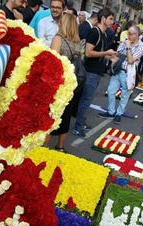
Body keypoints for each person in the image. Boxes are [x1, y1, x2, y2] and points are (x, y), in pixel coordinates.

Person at [72, 8, 116, 137]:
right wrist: (106, 53)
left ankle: (80, 123)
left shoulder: (104, 33)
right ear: (103, 18)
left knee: (87, 99)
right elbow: (88, 52)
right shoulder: (94, 32)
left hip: (97, 72)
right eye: (111, 19)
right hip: (90, 71)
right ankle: (77, 127)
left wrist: (110, 57)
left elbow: (98, 53)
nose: (112, 22)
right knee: (85, 100)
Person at [47, 13, 82, 152]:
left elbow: (53, 62)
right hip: (72, 83)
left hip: (59, 83)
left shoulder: (58, 39)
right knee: (66, 116)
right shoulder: (77, 42)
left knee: (52, 117)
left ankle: (43, 148)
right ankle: (60, 147)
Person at [99, 26, 143, 122]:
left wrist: (128, 47)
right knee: (111, 91)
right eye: (128, 33)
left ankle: (119, 114)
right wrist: (110, 57)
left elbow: (131, 60)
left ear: (136, 35)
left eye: (130, 34)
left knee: (125, 95)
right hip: (118, 70)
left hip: (128, 74)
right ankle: (111, 111)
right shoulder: (125, 42)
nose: (128, 35)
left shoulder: (141, 47)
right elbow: (117, 54)